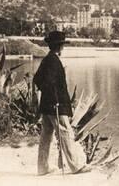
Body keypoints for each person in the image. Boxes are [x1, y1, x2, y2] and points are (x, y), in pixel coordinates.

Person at [33, 31, 86, 175]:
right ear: (59, 46)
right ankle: (75, 166)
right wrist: (55, 100)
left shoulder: (48, 59)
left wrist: (47, 96)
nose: (63, 47)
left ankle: (42, 168)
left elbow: (37, 79)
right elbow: (50, 83)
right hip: (55, 105)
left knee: (46, 136)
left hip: (47, 105)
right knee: (65, 132)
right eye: (62, 45)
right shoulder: (53, 61)